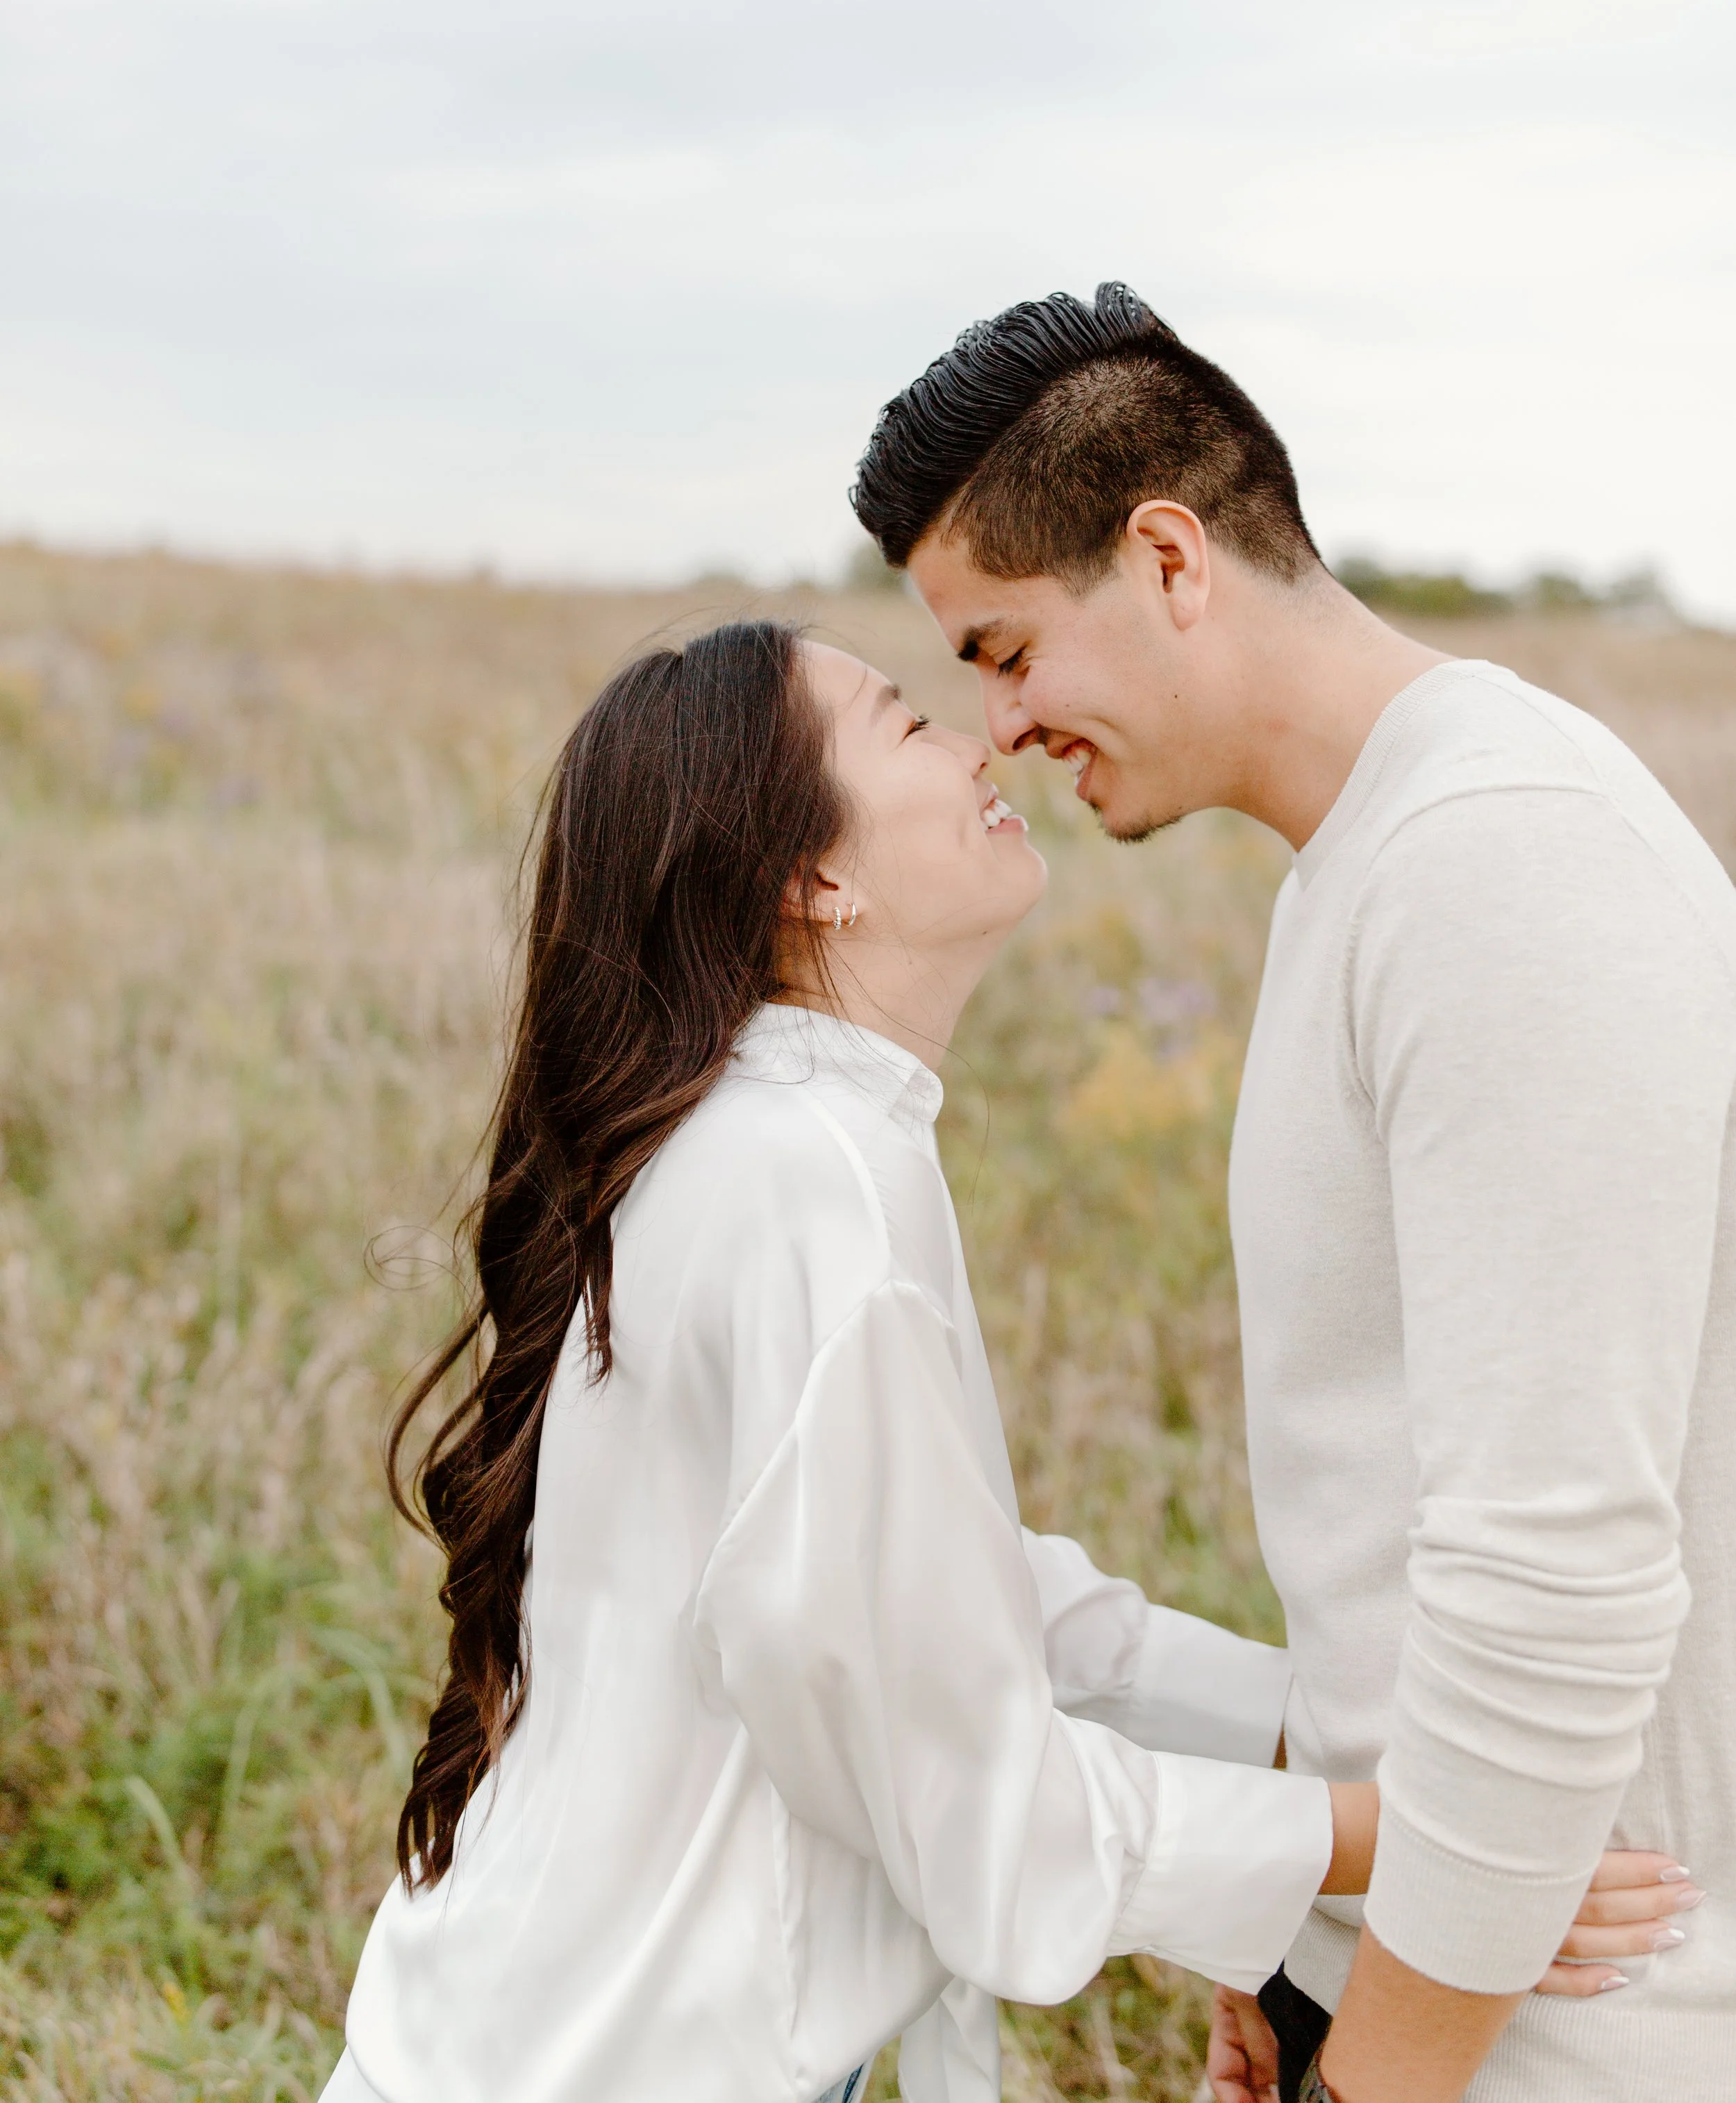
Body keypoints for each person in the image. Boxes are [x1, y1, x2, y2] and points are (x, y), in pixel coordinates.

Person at [322, 621, 1658, 2103]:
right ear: (809, 876)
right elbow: (970, 1800)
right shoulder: (803, 1176)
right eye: (904, 725)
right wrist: (1413, 1850)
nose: (983, 742)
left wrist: (1304, 1729)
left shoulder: (778, 1138)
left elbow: (949, 1593)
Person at [850, 285, 1734, 2103]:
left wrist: (1378, 2075)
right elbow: (1386, 1519)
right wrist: (1299, 1951)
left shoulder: (1497, 860)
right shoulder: (1365, 865)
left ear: (1165, 554)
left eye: (1006, 650)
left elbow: (1552, 1567)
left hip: (1569, 2029)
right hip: (1439, 1981)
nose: (999, 726)